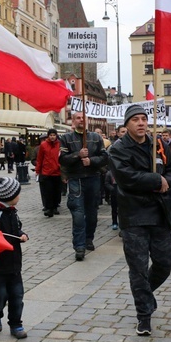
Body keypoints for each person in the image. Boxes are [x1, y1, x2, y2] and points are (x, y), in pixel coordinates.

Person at [108, 105, 171, 335]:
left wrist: (165, 179)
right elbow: (126, 177)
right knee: (137, 268)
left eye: (144, 119)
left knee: (165, 261)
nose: (141, 123)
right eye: (135, 119)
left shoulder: (159, 145)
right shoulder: (119, 149)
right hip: (134, 214)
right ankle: (144, 315)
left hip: (159, 213)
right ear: (126, 124)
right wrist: (156, 180)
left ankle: (146, 295)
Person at [0, 177, 29, 339]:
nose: (19, 196)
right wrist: (4, 242)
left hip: (14, 263)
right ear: (10, 196)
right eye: (18, 194)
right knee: (0, 294)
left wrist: (21, 234)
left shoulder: (12, 212)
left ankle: (16, 324)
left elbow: (17, 228)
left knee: (17, 295)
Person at [59, 112, 109, 261]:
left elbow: (105, 158)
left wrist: (91, 161)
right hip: (76, 180)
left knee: (92, 213)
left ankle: (89, 238)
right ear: (73, 121)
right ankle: (79, 246)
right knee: (78, 214)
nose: (81, 120)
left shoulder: (95, 137)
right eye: (78, 118)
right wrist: (77, 155)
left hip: (93, 179)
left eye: (83, 117)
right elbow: (62, 159)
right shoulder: (66, 138)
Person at [35, 129, 61, 217]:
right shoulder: (43, 145)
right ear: (48, 136)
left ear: (56, 136)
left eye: (54, 135)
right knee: (48, 191)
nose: (52, 137)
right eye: (51, 135)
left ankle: (55, 207)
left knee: (56, 191)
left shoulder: (60, 145)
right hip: (46, 172)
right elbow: (40, 159)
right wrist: (38, 170)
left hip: (57, 172)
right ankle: (49, 208)